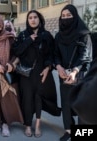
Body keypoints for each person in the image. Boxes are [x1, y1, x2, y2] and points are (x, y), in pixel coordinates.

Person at [13, 10, 61, 138]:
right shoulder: (23, 35)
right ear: (27, 20)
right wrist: (28, 40)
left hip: (41, 72)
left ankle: (38, 125)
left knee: (38, 98)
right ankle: (28, 125)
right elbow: (17, 51)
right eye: (30, 18)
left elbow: (51, 54)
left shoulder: (46, 35)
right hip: (26, 74)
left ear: (39, 19)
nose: (33, 20)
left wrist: (48, 68)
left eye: (35, 17)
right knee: (27, 99)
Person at [54, 4, 92, 141]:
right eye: (63, 16)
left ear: (75, 16)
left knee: (81, 104)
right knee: (66, 103)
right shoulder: (58, 36)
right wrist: (58, 67)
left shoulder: (84, 34)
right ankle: (69, 131)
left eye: (68, 15)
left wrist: (75, 71)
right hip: (63, 74)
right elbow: (55, 54)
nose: (65, 18)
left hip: (80, 74)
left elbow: (85, 55)